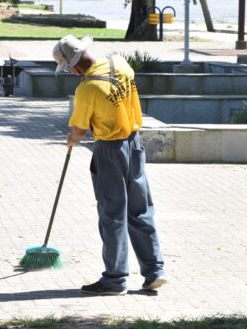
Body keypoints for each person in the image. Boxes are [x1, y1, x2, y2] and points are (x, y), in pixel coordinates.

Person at [52, 35, 167, 296]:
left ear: (75, 64)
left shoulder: (87, 88)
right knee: (140, 209)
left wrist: (71, 139)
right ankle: (154, 271)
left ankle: (115, 279)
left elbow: (79, 130)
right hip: (134, 144)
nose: (70, 74)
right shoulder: (120, 63)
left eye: (68, 69)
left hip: (109, 150)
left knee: (113, 213)